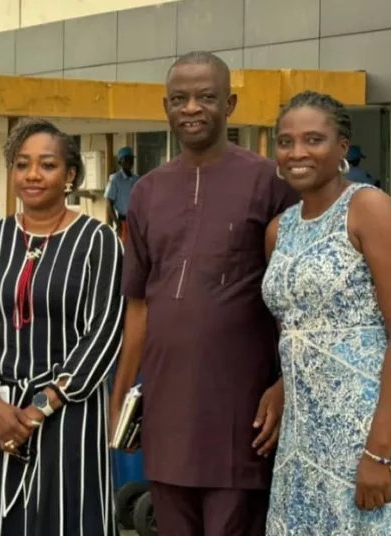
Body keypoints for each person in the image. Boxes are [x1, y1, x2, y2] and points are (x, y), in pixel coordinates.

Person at [109, 51, 299, 536]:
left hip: (242, 410)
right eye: (179, 99)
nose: (191, 108)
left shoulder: (270, 182)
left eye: (206, 97)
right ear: (165, 106)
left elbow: (293, 302)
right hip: (168, 407)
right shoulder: (147, 192)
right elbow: (139, 304)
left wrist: (284, 388)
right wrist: (119, 398)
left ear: (230, 104)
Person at [0, 117, 124, 536]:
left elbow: (103, 333)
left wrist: (41, 407)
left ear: (69, 176)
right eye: (22, 164)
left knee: (67, 518)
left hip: (68, 414)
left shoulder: (97, 240)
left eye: (47, 165)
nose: (32, 175)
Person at [263, 90, 391, 534]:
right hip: (300, 439)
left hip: (362, 430)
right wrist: (282, 384)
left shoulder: (368, 207)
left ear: (342, 147)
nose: (297, 153)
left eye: (313, 140)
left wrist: (380, 451)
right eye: (285, 141)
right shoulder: (279, 229)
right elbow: (298, 326)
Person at [105, 146, 140, 242]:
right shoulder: (115, 179)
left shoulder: (137, 179)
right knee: (123, 250)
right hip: (123, 221)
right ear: (120, 161)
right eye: (126, 159)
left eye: (131, 159)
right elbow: (109, 203)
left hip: (136, 222)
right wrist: (117, 223)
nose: (130, 161)